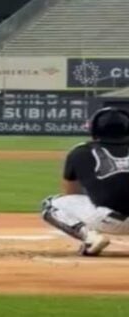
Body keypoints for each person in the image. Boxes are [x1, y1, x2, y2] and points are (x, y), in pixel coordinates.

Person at [41, 107, 129, 257]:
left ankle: (91, 238)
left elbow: (71, 193)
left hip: (110, 219)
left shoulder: (80, 151)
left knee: (50, 204)